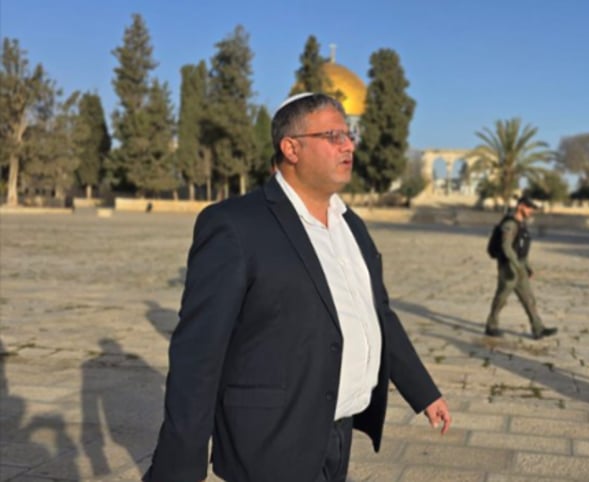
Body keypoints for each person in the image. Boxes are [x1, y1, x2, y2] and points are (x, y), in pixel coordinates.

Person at [144, 92, 451, 482]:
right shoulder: (235, 225)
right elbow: (198, 354)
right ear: (291, 147)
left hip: (337, 431)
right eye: (333, 136)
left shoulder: (350, 225)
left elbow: (379, 314)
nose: (349, 145)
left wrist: (423, 392)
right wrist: (179, 468)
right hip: (271, 440)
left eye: (349, 134)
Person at [484, 195, 558, 340]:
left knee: (528, 298)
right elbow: (506, 247)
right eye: (529, 208)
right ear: (520, 207)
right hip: (509, 267)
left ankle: (538, 329)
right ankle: (491, 326)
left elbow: (521, 249)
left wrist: (527, 267)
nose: (531, 211)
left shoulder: (521, 224)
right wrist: (516, 266)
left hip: (519, 266)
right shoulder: (510, 224)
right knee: (502, 297)